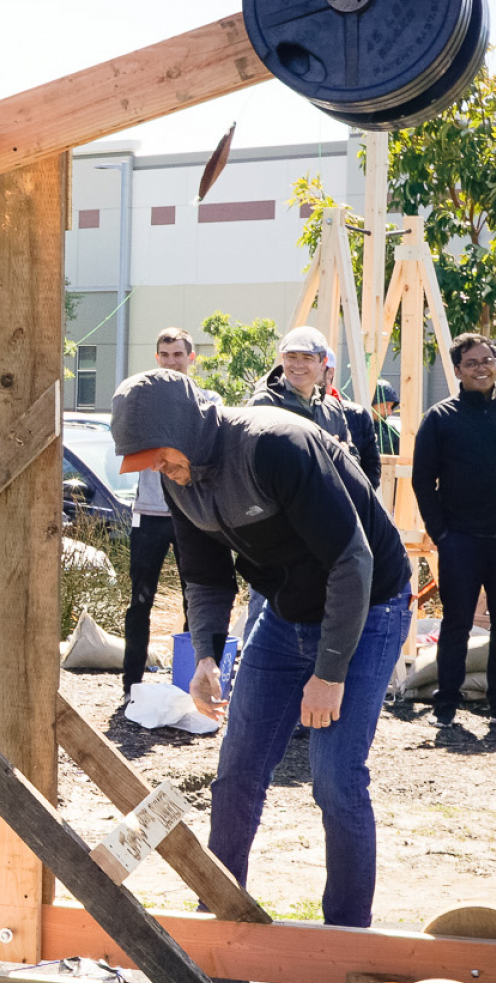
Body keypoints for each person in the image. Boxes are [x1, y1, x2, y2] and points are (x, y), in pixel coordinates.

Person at [111, 370, 412, 934]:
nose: (160, 470)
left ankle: (346, 943)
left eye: (160, 456)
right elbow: (204, 577)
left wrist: (329, 672)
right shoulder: (181, 478)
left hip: (368, 609)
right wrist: (206, 656)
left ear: (184, 428)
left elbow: (353, 562)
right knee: (237, 771)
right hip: (285, 614)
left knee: (335, 776)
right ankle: (220, 925)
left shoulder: (275, 446)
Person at [412, 332, 496, 731]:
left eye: (487, 360)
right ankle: (447, 703)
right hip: (461, 542)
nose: (481, 368)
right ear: (457, 370)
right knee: (455, 622)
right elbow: (424, 482)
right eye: (471, 363)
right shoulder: (440, 418)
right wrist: (442, 534)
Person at [123, 327, 197, 692]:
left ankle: (189, 681)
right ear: (157, 358)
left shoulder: (204, 399)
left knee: (196, 600)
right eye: (165, 355)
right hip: (148, 514)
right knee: (140, 600)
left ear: (191, 358)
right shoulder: (141, 399)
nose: (171, 362)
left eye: (178, 355)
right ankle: (131, 683)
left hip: (191, 516)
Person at [252, 325, 381, 488]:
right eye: (291, 357)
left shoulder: (332, 408)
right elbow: (253, 465)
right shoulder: (265, 404)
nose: (298, 365)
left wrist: (342, 454)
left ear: (323, 363)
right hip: (280, 509)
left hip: (324, 508)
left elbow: (354, 462)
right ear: (283, 359)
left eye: (307, 358)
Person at [370, 382, 400, 461]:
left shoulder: (391, 432)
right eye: (386, 406)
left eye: (391, 407)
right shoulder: (356, 427)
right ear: (372, 404)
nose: (390, 412)